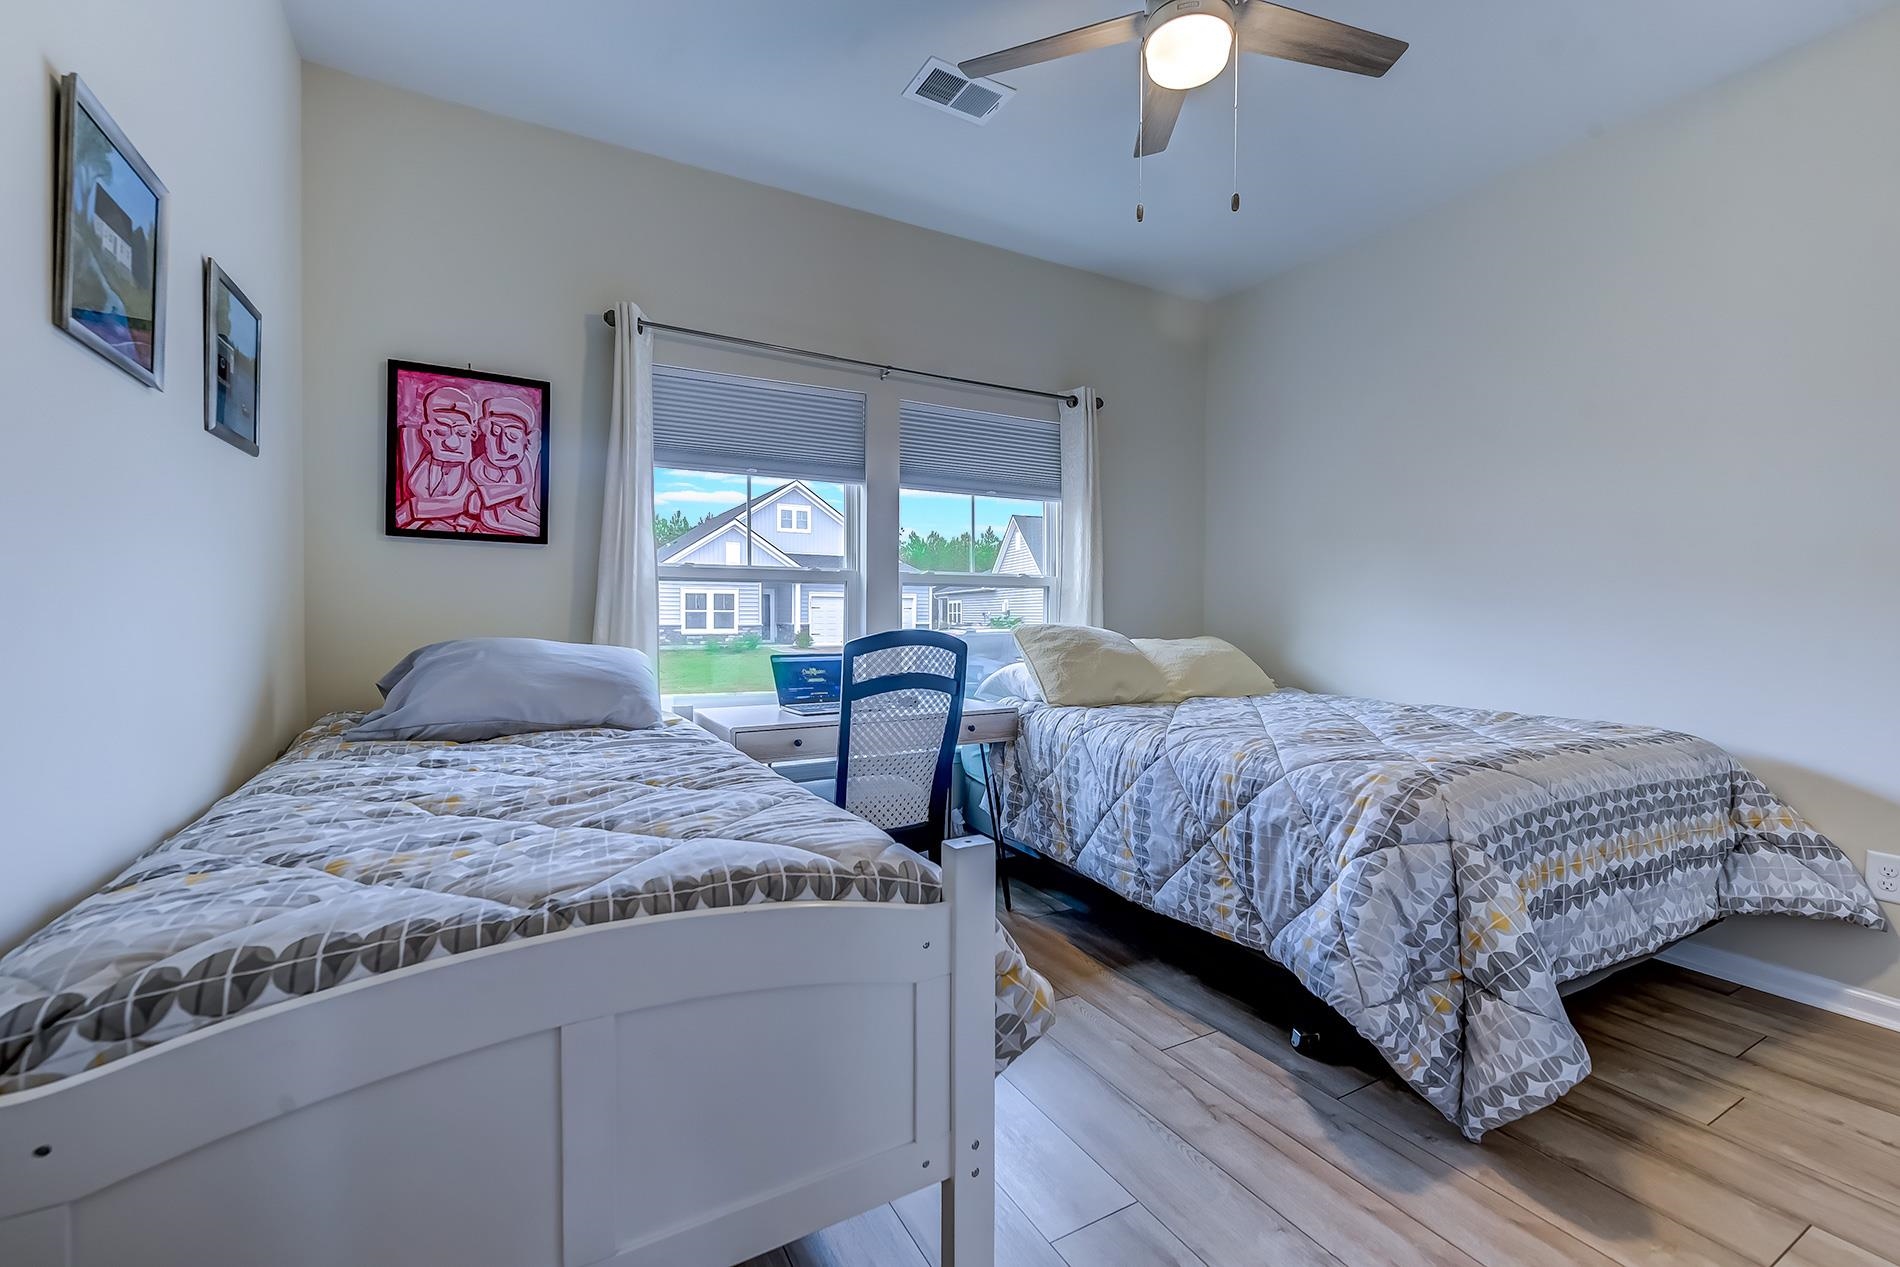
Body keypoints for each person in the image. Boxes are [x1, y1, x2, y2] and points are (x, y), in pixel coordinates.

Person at [395, 384, 479, 532]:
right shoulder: (421, 465)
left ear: (473, 434)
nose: (452, 443)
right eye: (441, 432)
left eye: (462, 433)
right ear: (427, 433)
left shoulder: (478, 471)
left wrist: (412, 509)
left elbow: (467, 501)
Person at [468, 394, 541, 536]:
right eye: (495, 433)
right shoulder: (478, 466)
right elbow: (482, 500)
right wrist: (520, 490)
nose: (503, 447)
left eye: (513, 436)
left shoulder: (525, 466)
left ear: (527, 440)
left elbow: (525, 504)